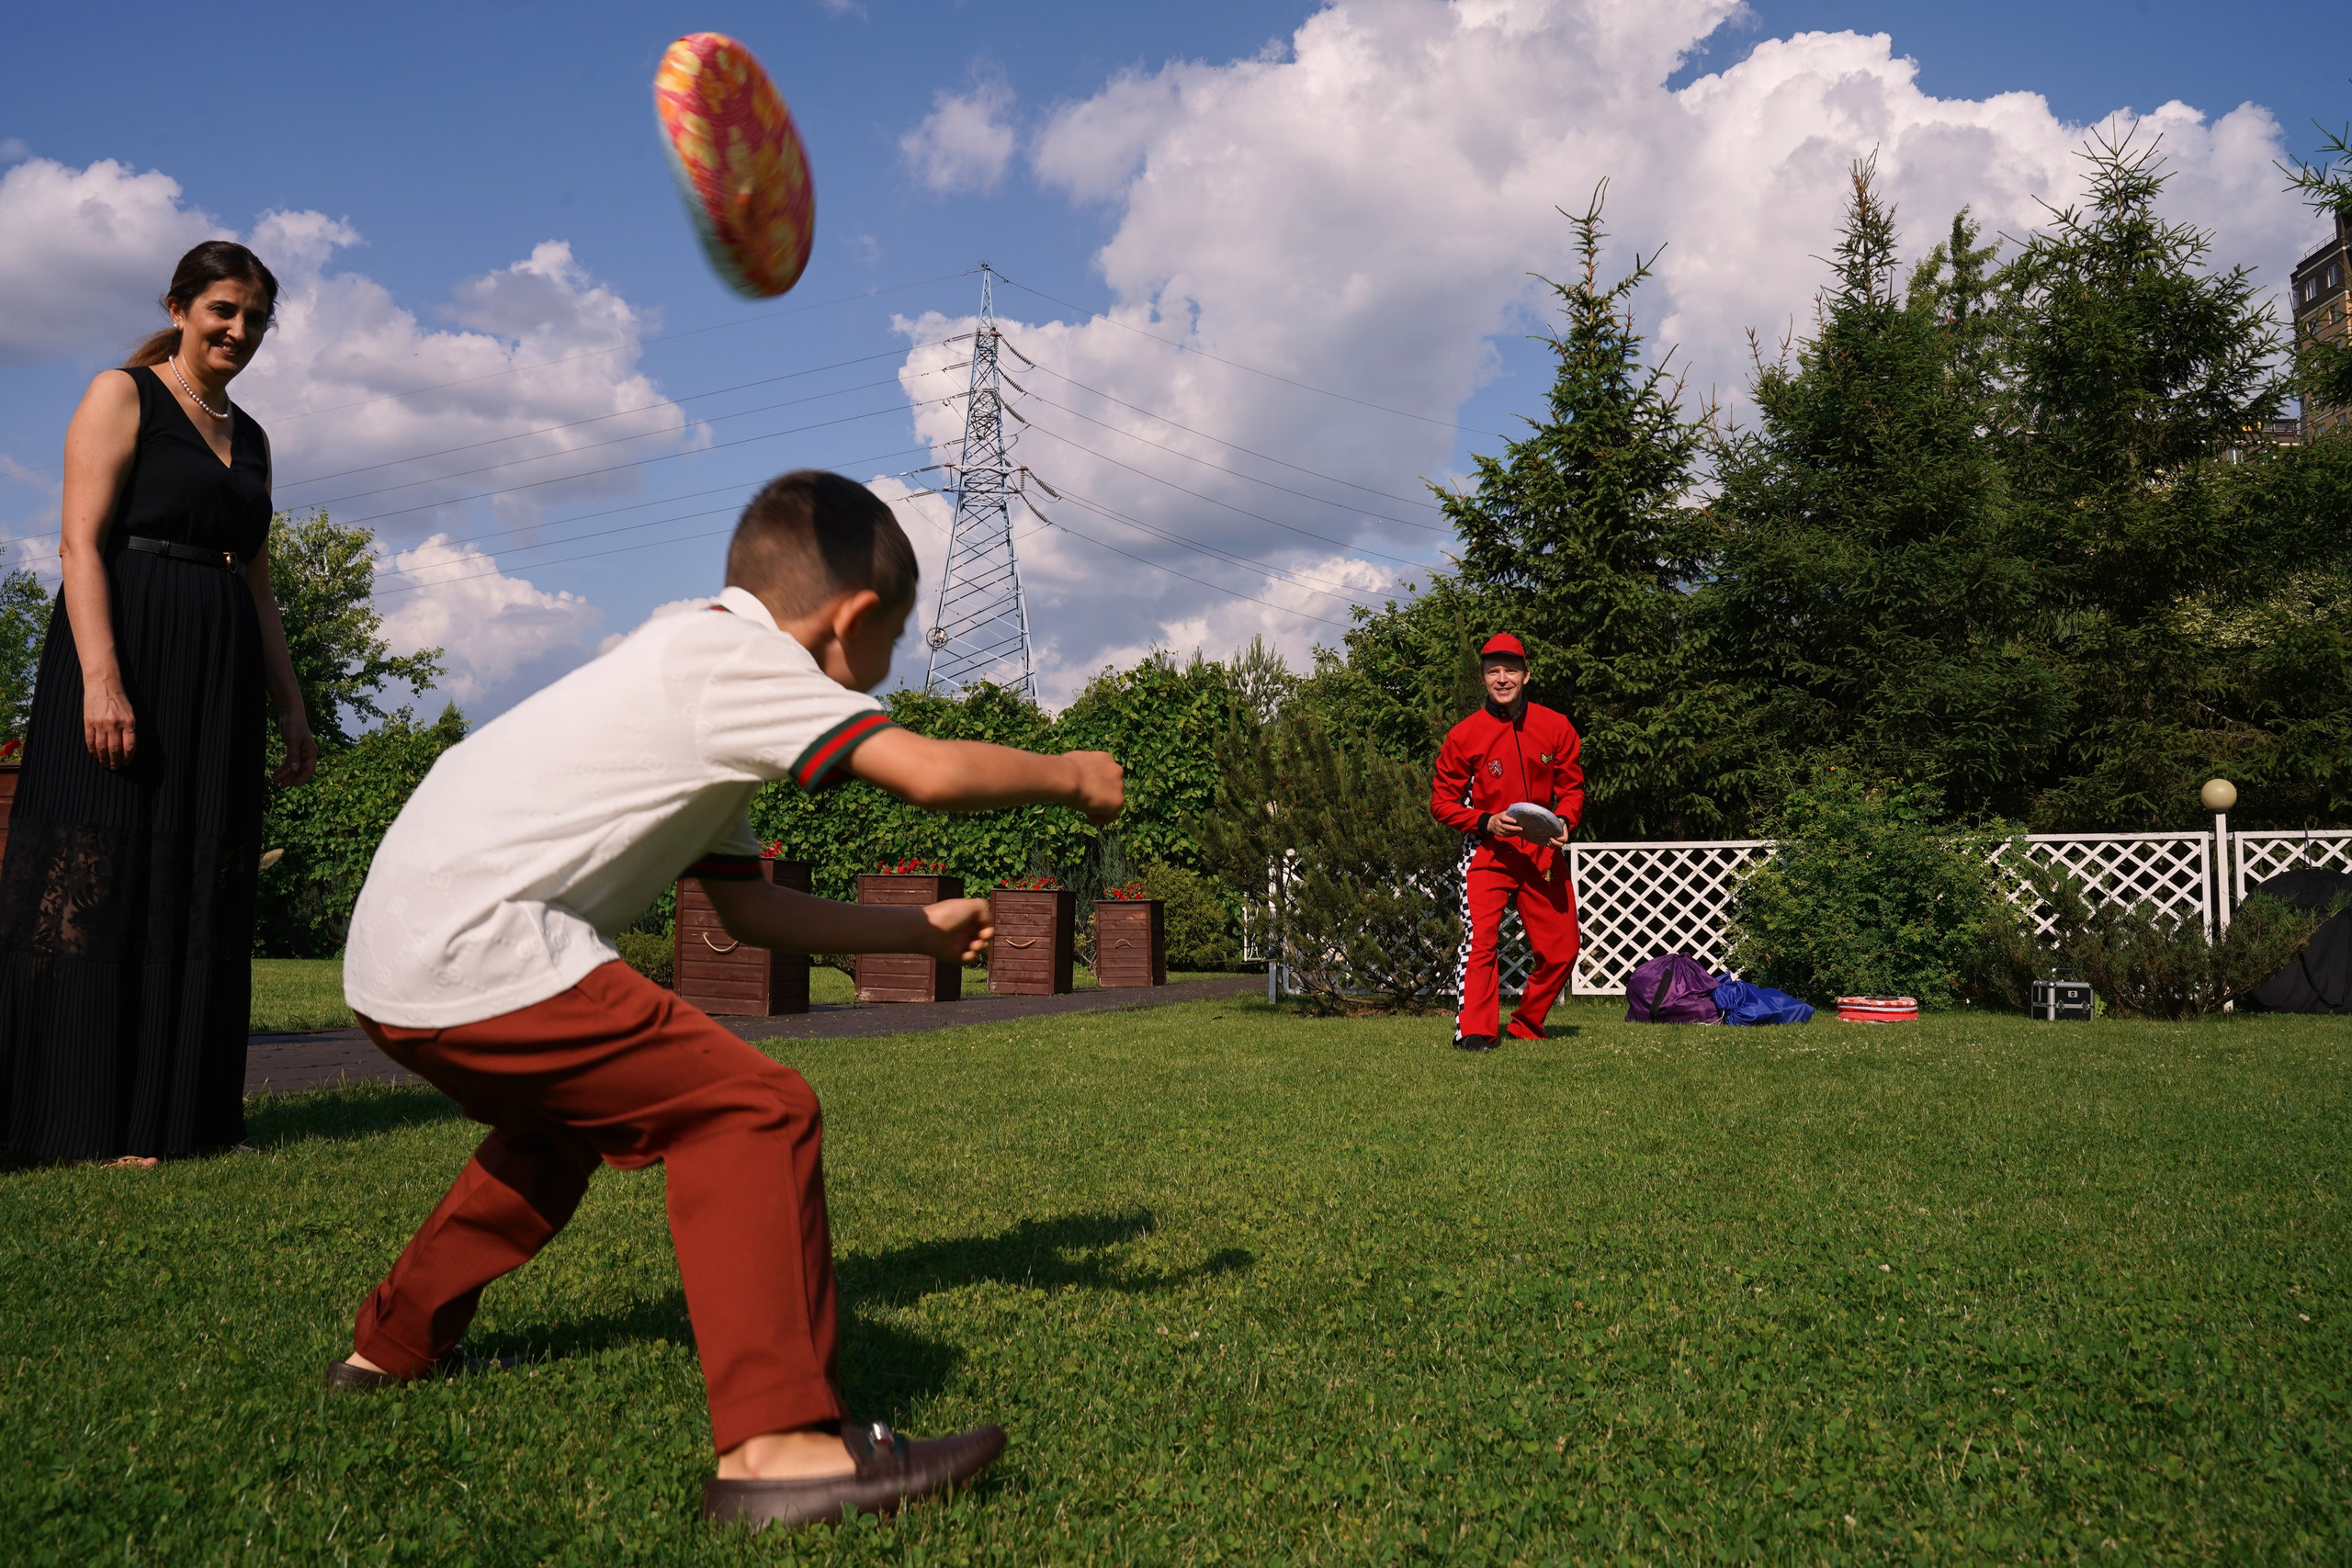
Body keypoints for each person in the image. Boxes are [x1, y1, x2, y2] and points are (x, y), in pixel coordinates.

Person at [326, 470, 1125, 1529]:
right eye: (892, 646)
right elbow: (926, 773)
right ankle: (778, 1452)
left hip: (398, 961)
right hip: (486, 948)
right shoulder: (745, 665)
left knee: (556, 1132)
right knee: (755, 1109)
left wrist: (909, 932)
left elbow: (752, 916)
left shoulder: (690, 663)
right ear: (853, 621)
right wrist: (1071, 772)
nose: (883, 676)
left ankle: (386, 1350)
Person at [0, 241, 318, 1164]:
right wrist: (102, 678)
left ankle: (182, 1121)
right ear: (179, 306)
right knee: (96, 878)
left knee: (193, 882)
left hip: (217, 675)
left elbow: (259, 587)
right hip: (127, 649)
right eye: (223, 309)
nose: (240, 330)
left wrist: (291, 708)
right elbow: (79, 546)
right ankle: (77, 1118)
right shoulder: (121, 394)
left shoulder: (252, 439)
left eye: (256, 317)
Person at [1428, 634, 1584, 1051]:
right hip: (1487, 852)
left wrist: (1566, 819)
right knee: (1481, 942)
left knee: (1563, 950)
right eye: (1493, 671)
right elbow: (1441, 803)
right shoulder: (1463, 735)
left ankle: (1527, 1023)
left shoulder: (1556, 727)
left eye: (1510, 670)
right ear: (1483, 678)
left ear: (1526, 675)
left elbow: (1572, 789)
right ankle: (1475, 1032)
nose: (1502, 679)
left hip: (1543, 852)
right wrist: (1484, 821)